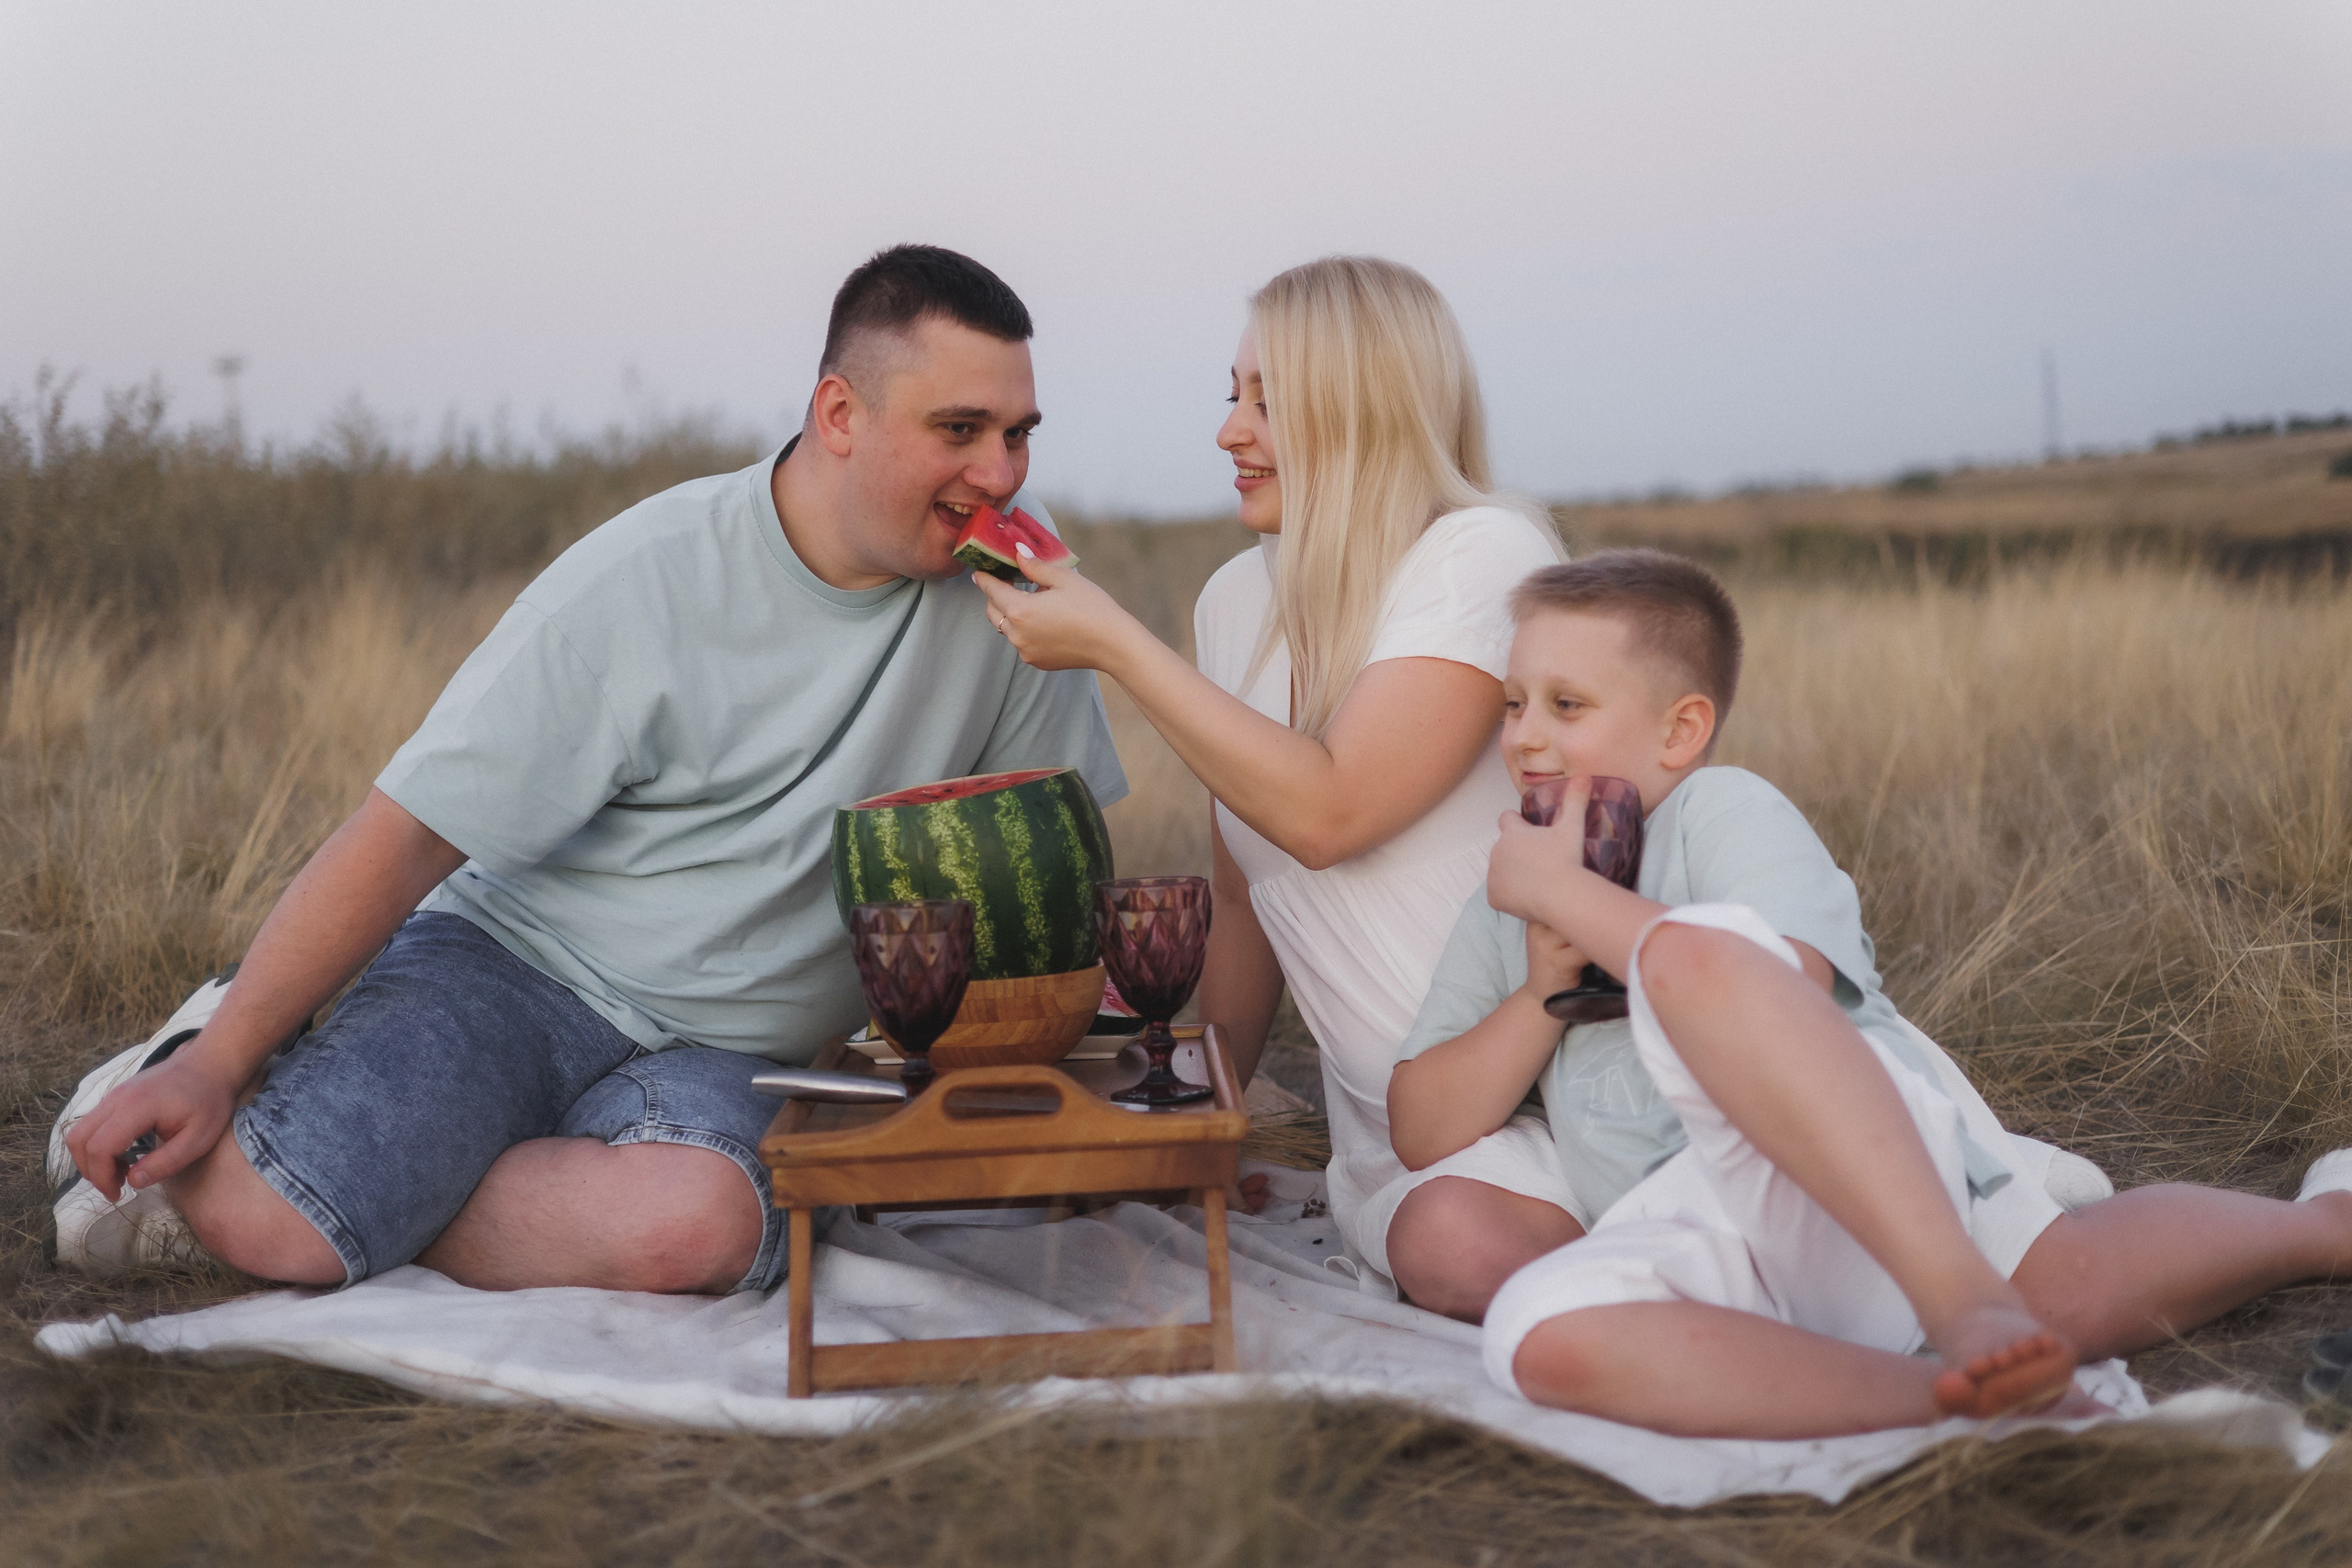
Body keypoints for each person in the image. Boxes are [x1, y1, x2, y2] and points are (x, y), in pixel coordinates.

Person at [54, 244, 1125, 1295]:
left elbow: (1033, 868)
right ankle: (215, 1047)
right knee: (269, 1220)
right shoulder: (641, 577)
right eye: (959, 430)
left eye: (1017, 434)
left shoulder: (1020, 590)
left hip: (735, 1052)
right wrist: (221, 1063)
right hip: (520, 972)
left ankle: (395, 1177)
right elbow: (411, 833)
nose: (1000, 474)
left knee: (697, 1230)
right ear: (840, 414)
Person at [1387, 548, 2352, 1437]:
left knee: (2068, 1290)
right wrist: (1539, 987)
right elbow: (1422, 1128)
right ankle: (1950, 1397)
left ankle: (2311, 1229)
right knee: (1535, 1331)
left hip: (1847, 1173)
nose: (1525, 737)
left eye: (1566, 705)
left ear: (1681, 731)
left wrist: (1568, 895)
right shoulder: (1504, 900)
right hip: (1689, 1221)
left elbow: (1779, 982)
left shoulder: (1717, 811)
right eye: (1513, 704)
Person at [975, 255, 1573, 1279]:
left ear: (1364, 412)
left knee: (1461, 1242)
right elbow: (1244, 900)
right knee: (1442, 1236)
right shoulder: (1232, 603)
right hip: (1397, 1148)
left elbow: (1328, 813)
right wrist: (1206, 1128)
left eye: (1269, 401)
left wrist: (1117, 645)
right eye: (1232, 395)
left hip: (1551, 1097)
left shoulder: (1480, 555)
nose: (1229, 432)